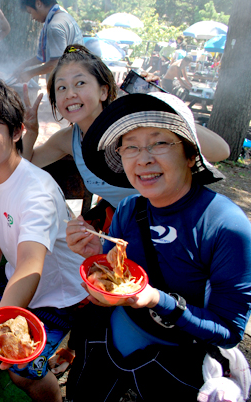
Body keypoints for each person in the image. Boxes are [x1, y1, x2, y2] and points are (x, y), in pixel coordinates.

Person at [65, 91, 251, 401]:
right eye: (131, 147)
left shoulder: (225, 226)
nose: (143, 158)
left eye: (160, 143)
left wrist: (156, 300)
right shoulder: (130, 209)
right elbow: (113, 295)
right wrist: (96, 258)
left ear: (191, 155)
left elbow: (229, 331)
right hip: (112, 345)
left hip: (179, 361)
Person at [0, 80, 88, 402]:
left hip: (62, 295)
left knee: (21, 370)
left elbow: (31, 264)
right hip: (20, 282)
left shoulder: (36, 193)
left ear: (16, 132)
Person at [22, 45, 230, 229]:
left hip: (176, 224)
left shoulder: (134, 128)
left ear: (103, 91)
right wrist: (31, 132)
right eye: (61, 87)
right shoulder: (69, 139)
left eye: (80, 83)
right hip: (129, 230)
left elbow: (222, 151)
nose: (70, 94)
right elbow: (26, 162)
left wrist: (164, 111)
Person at [11, 0, 83, 84]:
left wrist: (29, 74)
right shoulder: (65, 17)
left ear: (38, 4)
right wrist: (24, 65)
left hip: (70, 82)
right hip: (77, 77)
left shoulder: (54, 26)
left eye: (30, 12)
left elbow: (56, 63)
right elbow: (46, 55)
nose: (32, 17)